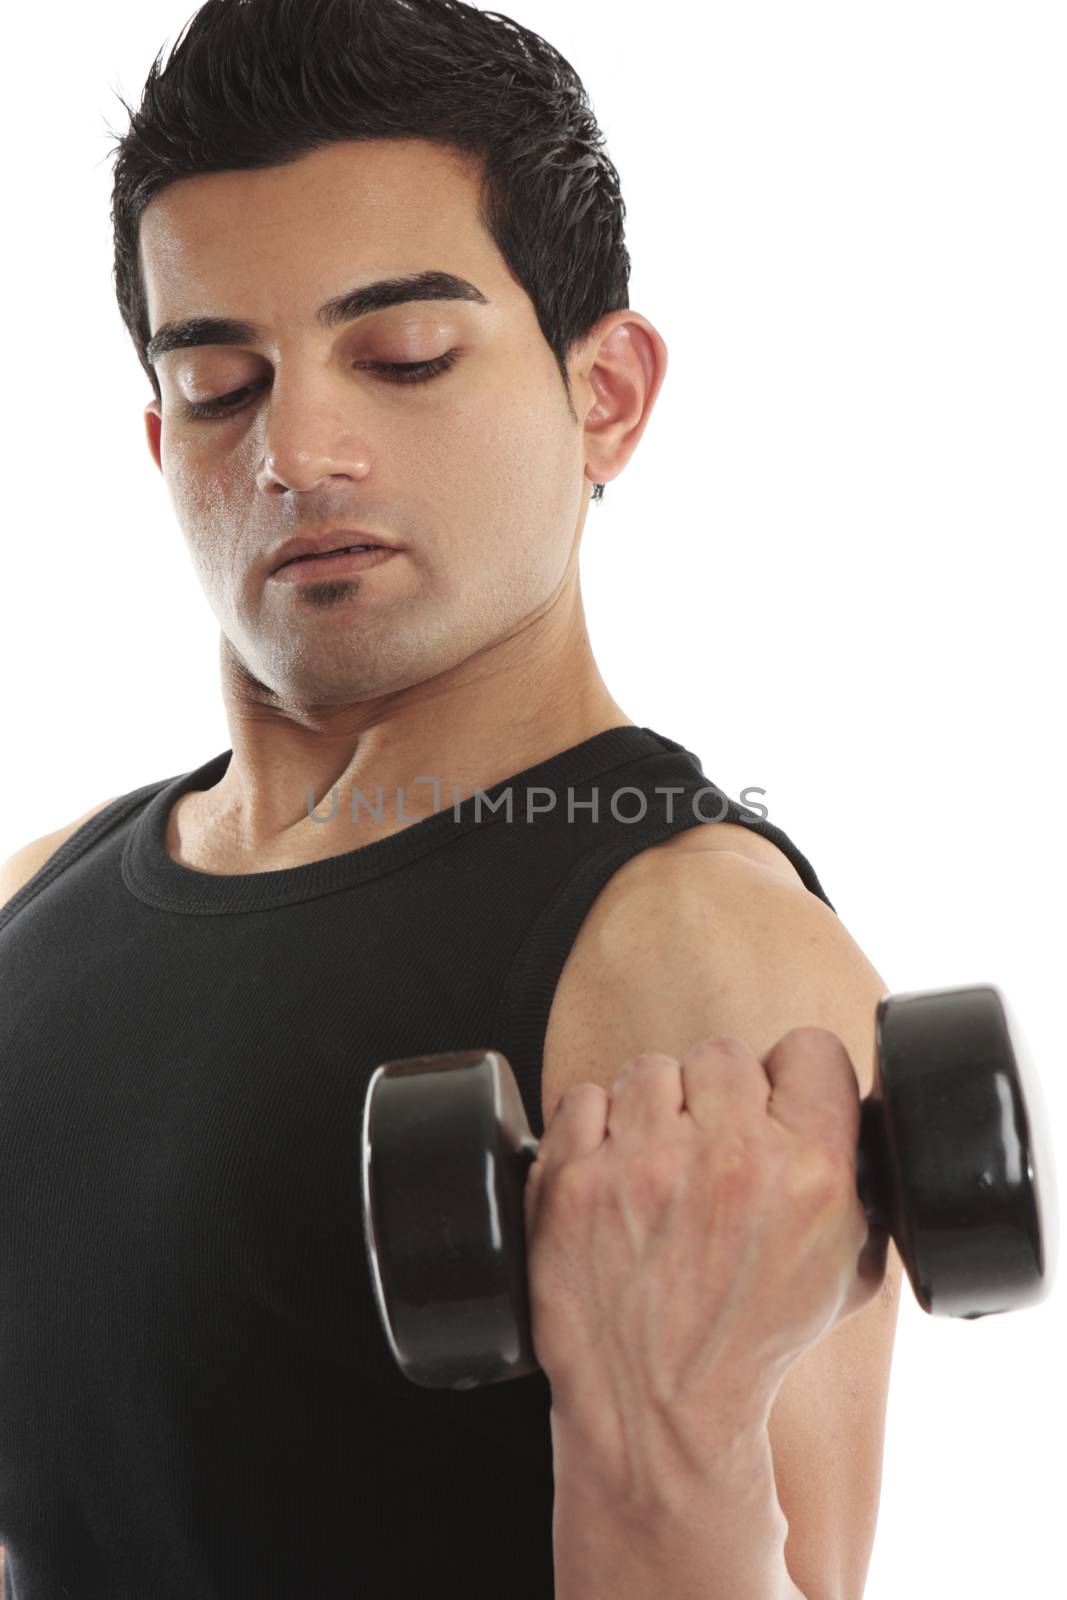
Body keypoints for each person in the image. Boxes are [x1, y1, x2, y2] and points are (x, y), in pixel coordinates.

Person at [0, 2, 901, 1595]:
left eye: (404, 356)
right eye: (219, 381)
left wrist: (663, 1435)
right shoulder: (32, 901)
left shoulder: (697, 961)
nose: (298, 451)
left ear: (607, 391)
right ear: (157, 439)